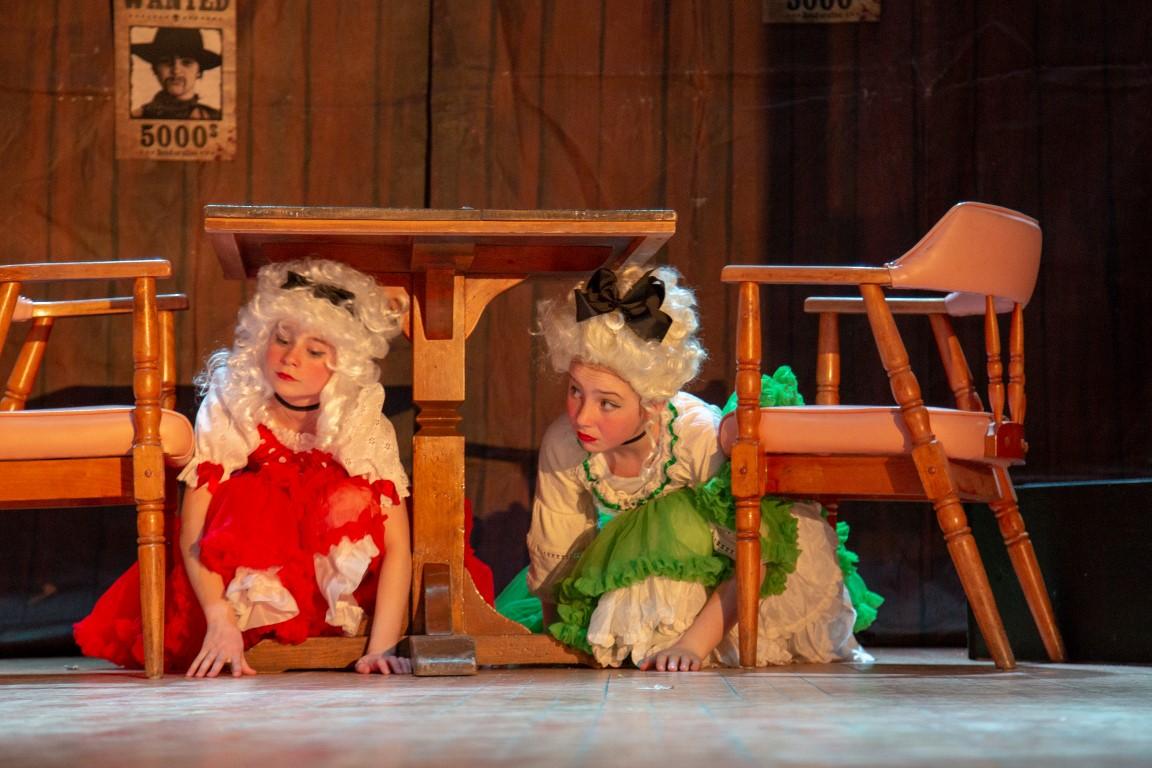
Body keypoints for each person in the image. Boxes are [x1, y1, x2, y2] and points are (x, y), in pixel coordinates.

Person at [519, 265, 881, 671]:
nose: (583, 416)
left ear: (653, 403)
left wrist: (693, 645)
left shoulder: (696, 436)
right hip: (639, 566)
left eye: (608, 403)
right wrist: (561, 639)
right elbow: (557, 545)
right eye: (575, 391)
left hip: (737, 573)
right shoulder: (564, 442)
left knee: (674, 521)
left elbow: (755, 549)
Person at [75, 259, 413, 676]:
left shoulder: (360, 415)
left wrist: (381, 648)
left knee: (352, 498)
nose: (290, 358)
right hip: (240, 582)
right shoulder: (235, 398)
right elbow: (194, 527)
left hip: (329, 583)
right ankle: (245, 625)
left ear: (343, 364)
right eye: (282, 339)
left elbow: (397, 545)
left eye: (314, 351)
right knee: (246, 497)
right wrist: (219, 618)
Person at [131, 27, 223, 120]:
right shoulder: (137, 117)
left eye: (186, 62)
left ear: (199, 71)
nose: (176, 71)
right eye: (166, 61)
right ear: (155, 69)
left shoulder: (214, 118)